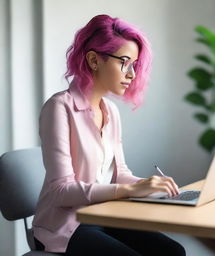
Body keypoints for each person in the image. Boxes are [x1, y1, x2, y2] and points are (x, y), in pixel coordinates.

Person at [32, 14, 186, 256]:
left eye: (135, 64)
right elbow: (62, 191)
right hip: (67, 226)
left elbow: (119, 173)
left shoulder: (111, 111)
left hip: (104, 214)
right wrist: (129, 191)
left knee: (173, 252)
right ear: (94, 60)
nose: (132, 74)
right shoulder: (59, 107)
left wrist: (153, 187)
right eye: (124, 62)